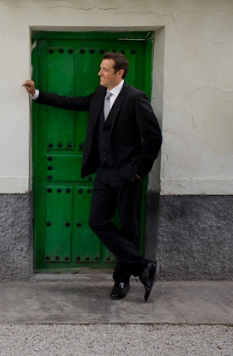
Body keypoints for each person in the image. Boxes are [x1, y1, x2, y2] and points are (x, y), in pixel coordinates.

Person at [22, 52, 163, 302]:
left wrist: (139, 170)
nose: (100, 73)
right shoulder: (99, 95)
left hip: (128, 175)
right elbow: (74, 103)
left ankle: (121, 280)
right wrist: (37, 94)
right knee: (97, 221)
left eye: (105, 69)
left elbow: (153, 138)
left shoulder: (135, 98)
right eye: (100, 68)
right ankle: (143, 266)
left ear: (119, 73)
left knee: (130, 229)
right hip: (104, 173)